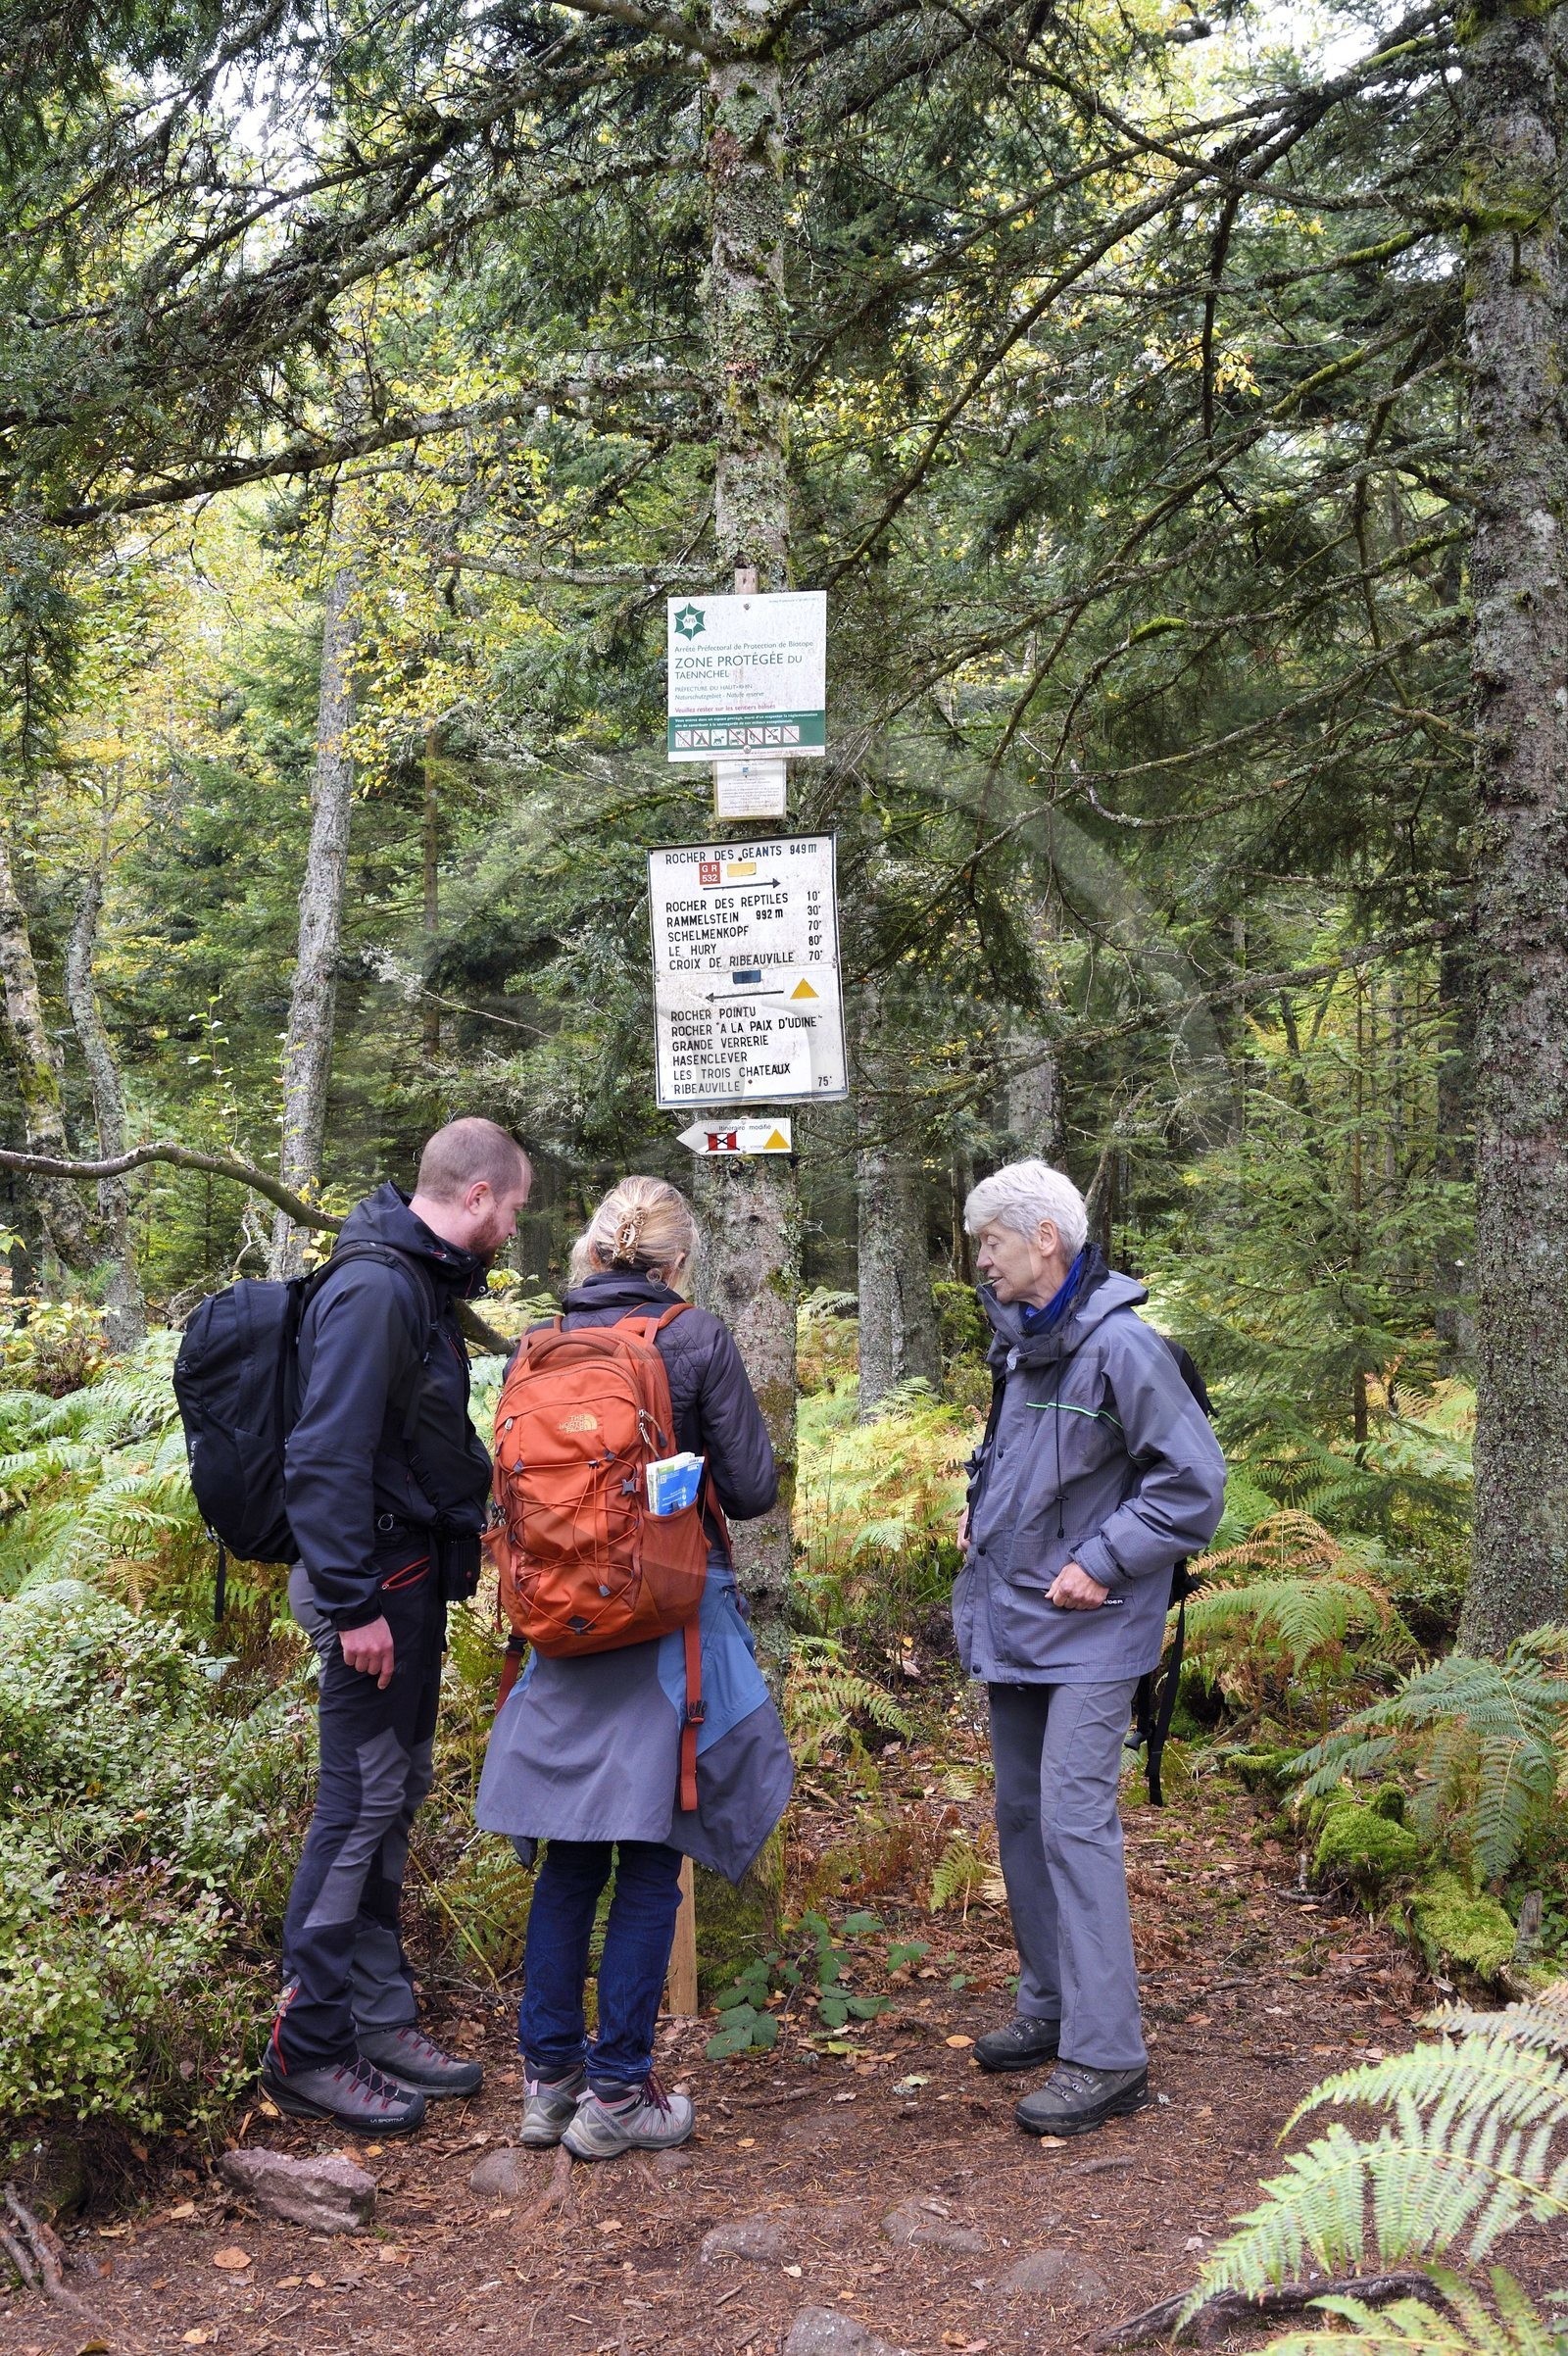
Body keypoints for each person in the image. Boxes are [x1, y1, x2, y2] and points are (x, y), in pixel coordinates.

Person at [476, 1174, 791, 2160]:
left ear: (596, 1253)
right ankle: (620, 2095)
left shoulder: (535, 1347)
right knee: (651, 1856)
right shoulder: (691, 1337)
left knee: (571, 1856)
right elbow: (749, 1488)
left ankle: (547, 2085)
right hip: (662, 1626)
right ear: (676, 1261)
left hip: (560, 1629)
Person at [260, 1116, 533, 2134]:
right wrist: (353, 1601)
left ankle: (374, 2016)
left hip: (407, 1581)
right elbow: (323, 1455)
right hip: (372, 1588)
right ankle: (310, 2045)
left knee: (392, 1793)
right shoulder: (378, 1287)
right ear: (475, 1197)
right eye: (513, 1206)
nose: (514, 1225)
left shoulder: (416, 1283)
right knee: (358, 1801)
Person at [956, 1159, 1226, 2137]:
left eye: (991, 1239)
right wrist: (975, 1509)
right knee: (1021, 1813)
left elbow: (1192, 1485)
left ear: (1045, 1242)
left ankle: (1108, 2055)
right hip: (1020, 1615)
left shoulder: (1121, 1347)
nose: (980, 1257)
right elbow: (1028, 1465)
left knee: (1072, 1818)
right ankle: (1051, 2001)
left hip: (1096, 1625)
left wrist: (1104, 1559)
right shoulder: (1023, 1345)